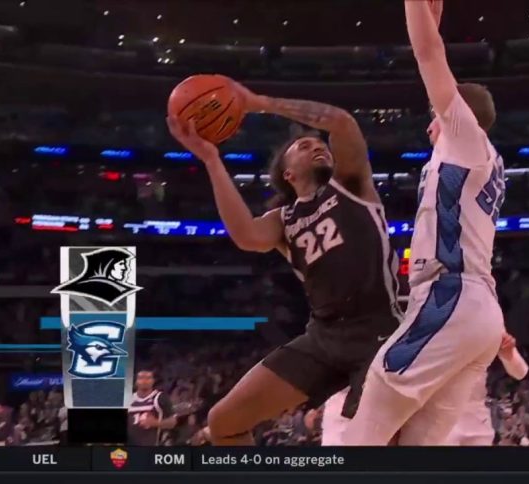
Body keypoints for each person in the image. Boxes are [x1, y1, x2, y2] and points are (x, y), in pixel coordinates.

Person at [167, 80, 400, 445]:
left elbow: (340, 122)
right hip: (324, 336)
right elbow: (245, 235)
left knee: (368, 443)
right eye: (303, 146)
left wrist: (259, 102)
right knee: (224, 420)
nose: (316, 146)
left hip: (381, 332)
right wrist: (212, 160)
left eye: (319, 144)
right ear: (288, 174)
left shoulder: (351, 185)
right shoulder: (282, 220)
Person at [343, 0, 506, 445]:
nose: (430, 124)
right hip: (475, 310)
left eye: (436, 116)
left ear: (455, 117)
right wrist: (429, 27)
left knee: (367, 419)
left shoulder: (465, 138)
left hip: (450, 296)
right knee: (417, 445)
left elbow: (430, 60)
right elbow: (431, 65)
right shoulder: (479, 157)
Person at [447, 333, 528, 445]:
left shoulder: (491, 322)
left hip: (477, 418)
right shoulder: (435, 324)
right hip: (442, 415)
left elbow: (521, 372)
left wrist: (508, 355)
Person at [127, 369, 177, 446]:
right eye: (141, 378)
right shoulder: (127, 399)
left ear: (153, 381)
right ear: (136, 381)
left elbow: (173, 422)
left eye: (148, 378)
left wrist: (155, 423)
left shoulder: (160, 397)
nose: (145, 381)